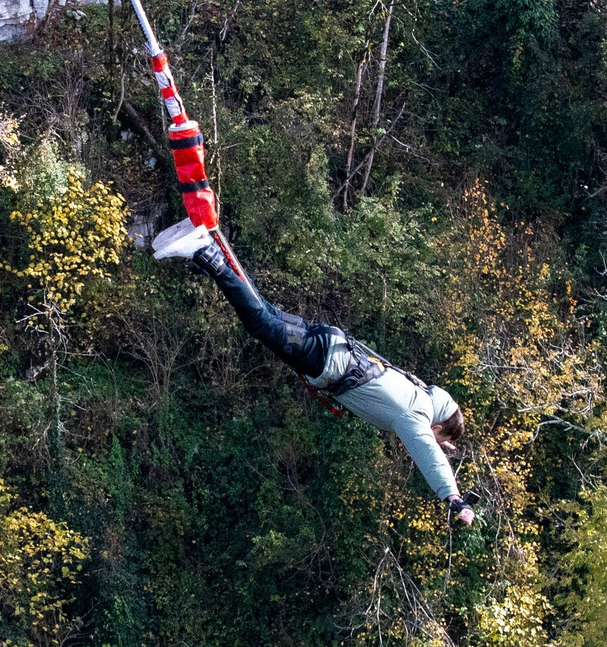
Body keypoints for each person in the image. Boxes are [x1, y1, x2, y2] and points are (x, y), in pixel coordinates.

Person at [152, 219, 478, 526]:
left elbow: (434, 435)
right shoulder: (415, 415)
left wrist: (442, 436)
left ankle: (207, 250)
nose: (431, 441)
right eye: (437, 437)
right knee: (258, 322)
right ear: (435, 427)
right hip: (325, 359)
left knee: (263, 309)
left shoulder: (421, 395)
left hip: (331, 343)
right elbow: (428, 454)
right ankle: (204, 251)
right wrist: (454, 498)